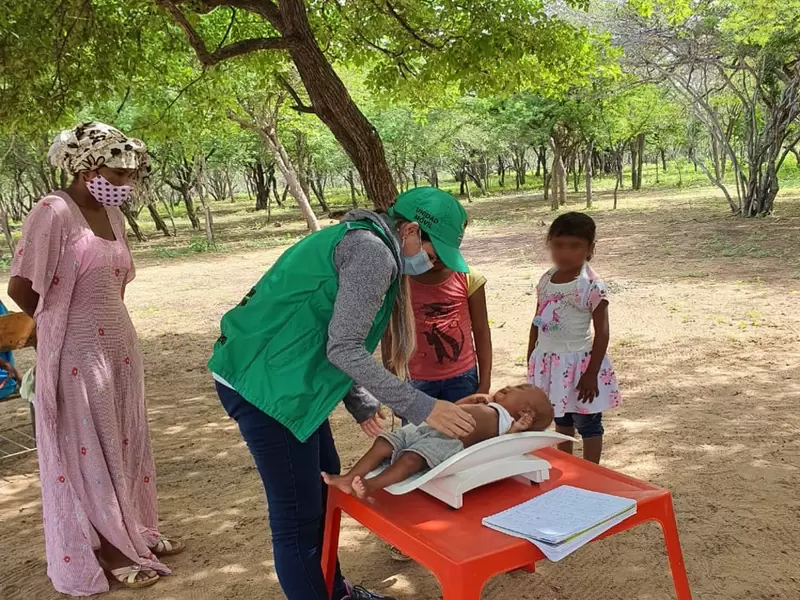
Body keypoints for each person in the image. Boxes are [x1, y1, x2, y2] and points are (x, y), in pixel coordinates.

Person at [209, 186, 478, 600]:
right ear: (409, 230)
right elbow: (343, 346)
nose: (432, 264)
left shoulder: (359, 237)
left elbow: (324, 330)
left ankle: (336, 592)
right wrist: (423, 407)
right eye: (434, 251)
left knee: (324, 486)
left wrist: (359, 399)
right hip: (268, 387)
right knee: (298, 520)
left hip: (289, 379)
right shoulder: (373, 253)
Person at [7, 122, 183, 595]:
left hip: (118, 350)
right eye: (116, 172)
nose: (125, 182)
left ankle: (133, 530)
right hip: (74, 351)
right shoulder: (53, 212)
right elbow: (21, 289)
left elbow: (115, 282)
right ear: (86, 167)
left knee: (123, 442)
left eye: (130, 174)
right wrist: (62, 324)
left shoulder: (112, 213)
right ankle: (110, 549)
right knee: (86, 449)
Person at [323, 384, 553, 500]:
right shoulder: (487, 404)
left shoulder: (507, 422)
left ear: (525, 411)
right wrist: (472, 399)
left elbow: (503, 446)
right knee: (385, 442)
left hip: (446, 444)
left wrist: (518, 428)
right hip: (431, 428)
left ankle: (372, 486)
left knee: (411, 459)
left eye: (519, 389)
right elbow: (454, 408)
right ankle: (349, 477)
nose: (511, 387)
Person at [527, 212, 621, 464]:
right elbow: (536, 321)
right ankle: (566, 464)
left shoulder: (591, 285)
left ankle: (593, 470)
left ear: (590, 249)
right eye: (558, 245)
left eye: (574, 246)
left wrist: (591, 373)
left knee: (587, 421)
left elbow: (602, 332)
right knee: (561, 417)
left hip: (578, 365)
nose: (565, 252)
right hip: (549, 364)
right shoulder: (546, 280)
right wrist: (531, 360)